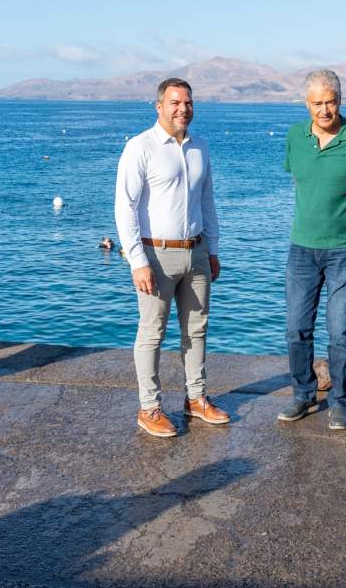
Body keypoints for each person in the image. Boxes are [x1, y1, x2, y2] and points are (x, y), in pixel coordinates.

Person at [115, 77, 227, 437]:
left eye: (188, 103)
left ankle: (196, 399)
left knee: (197, 329)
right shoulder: (140, 147)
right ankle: (149, 408)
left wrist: (213, 250)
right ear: (159, 106)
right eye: (175, 103)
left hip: (195, 253)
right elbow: (125, 207)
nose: (183, 109)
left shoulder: (200, 147)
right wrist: (137, 260)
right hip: (156, 255)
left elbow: (206, 202)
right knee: (152, 333)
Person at [277, 70, 346, 431]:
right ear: (306, 104)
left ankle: (339, 401)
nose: (325, 110)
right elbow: (300, 178)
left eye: (331, 102)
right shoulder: (295, 137)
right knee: (296, 327)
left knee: (339, 330)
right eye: (318, 103)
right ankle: (303, 395)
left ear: (340, 100)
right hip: (302, 249)